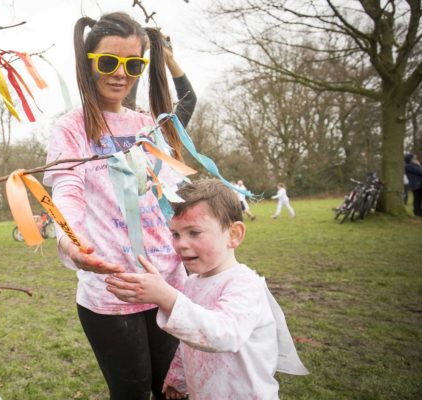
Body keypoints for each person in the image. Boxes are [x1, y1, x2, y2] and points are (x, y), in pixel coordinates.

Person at [43, 12, 197, 399]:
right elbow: (67, 191)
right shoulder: (71, 128)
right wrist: (70, 242)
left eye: (133, 65)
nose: (120, 74)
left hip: (168, 284)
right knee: (130, 393)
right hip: (112, 291)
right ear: (89, 62)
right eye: (109, 62)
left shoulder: (148, 124)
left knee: (173, 389)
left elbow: (187, 104)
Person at [106, 179, 308, 399]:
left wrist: (166, 296)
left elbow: (223, 335)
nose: (181, 243)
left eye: (194, 232)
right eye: (176, 234)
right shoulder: (192, 282)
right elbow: (189, 340)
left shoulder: (245, 285)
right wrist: (178, 378)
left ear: (234, 235)